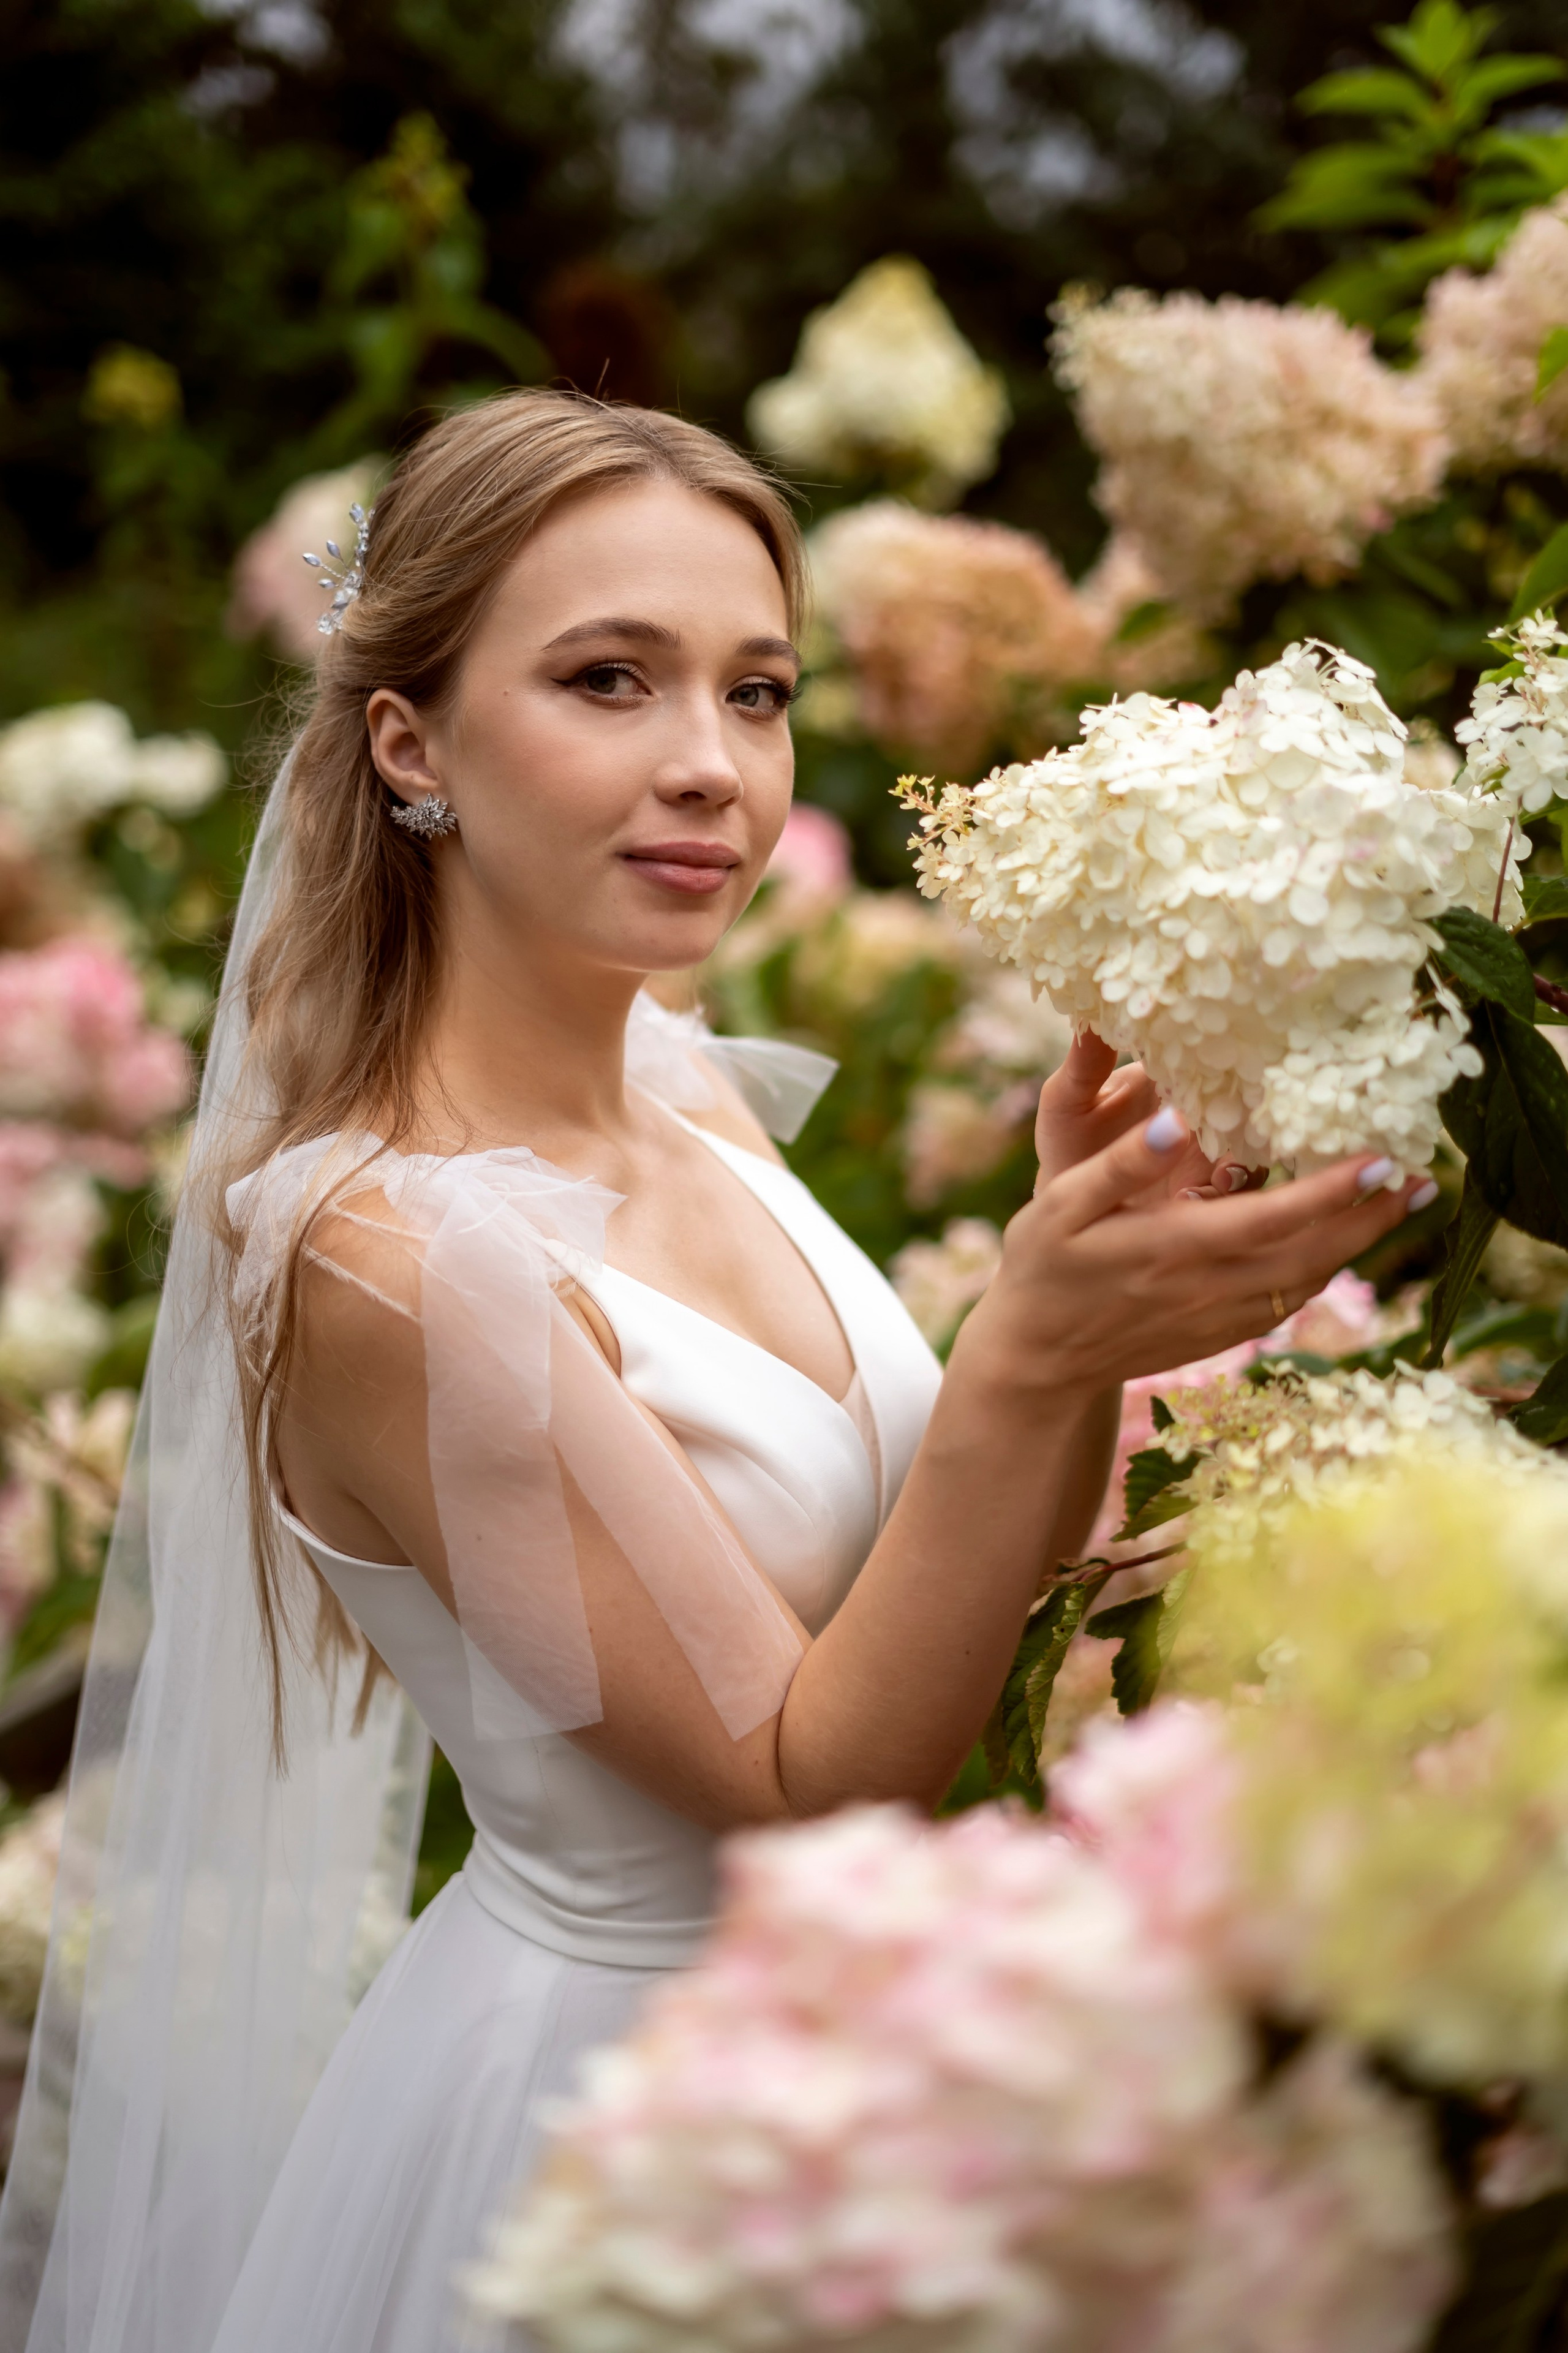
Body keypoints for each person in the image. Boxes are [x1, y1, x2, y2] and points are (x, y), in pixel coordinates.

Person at [0, 391, 1430, 2353]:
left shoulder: (690, 1096)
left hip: (880, 2051)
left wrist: (1091, 1308)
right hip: (626, 2111)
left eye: (756, 694)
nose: (711, 768)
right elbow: (805, 1782)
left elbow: (952, 1583)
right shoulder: (389, 1257)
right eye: (610, 680)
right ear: (407, 740)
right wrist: (1030, 1339)